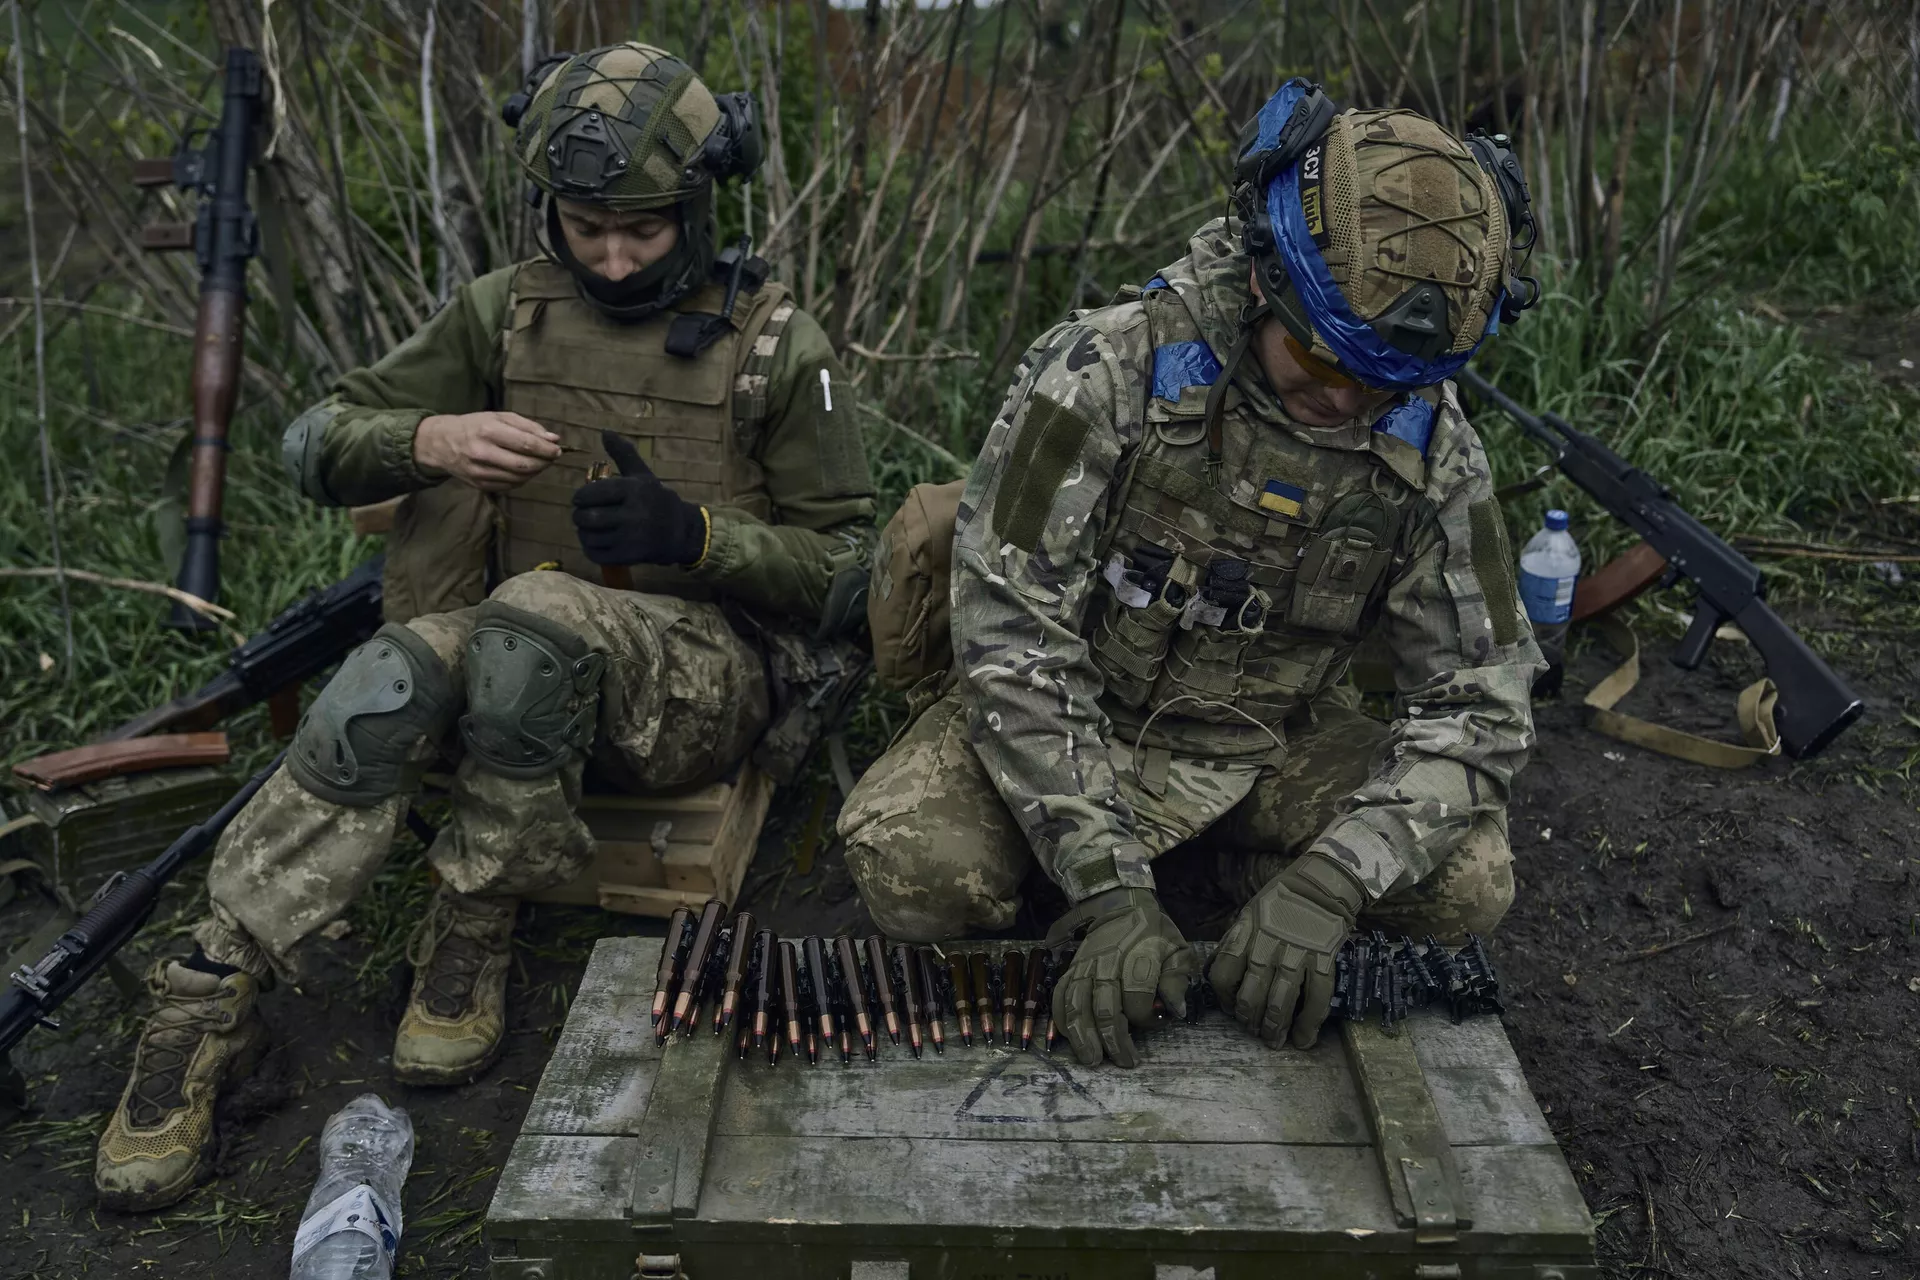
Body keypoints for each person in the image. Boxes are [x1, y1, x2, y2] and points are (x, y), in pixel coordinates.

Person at [95, 43, 874, 1210]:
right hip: (523, 652)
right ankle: (207, 991)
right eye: (584, 225)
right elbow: (316, 437)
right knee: (386, 678)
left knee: (530, 614)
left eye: (646, 230)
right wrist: (431, 440)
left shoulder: (775, 346)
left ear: (701, 207)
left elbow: (854, 573)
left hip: (700, 685)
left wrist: (697, 536)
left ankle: (474, 919)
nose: (611, 258)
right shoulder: (505, 311)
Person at [839, 81, 1542, 1069]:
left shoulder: (1434, 450)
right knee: (913, 866)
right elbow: (1008, 629)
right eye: (1317, 355)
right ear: (1264, 279)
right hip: (1083, 716)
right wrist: (1106, 884)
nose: (1343, 400)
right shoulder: (1106, 369)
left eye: (1382, 381)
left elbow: (1485, 703)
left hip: (1270, 743)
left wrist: (1334, 880)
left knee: (1471, 878)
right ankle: (1148, 883)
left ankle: (1250, 877)